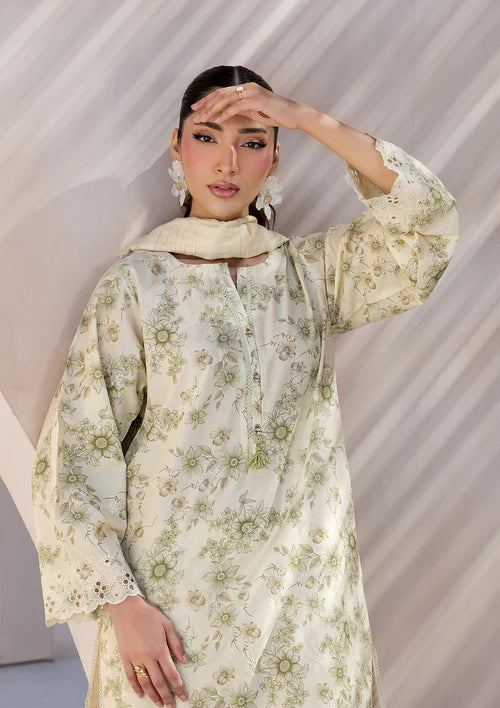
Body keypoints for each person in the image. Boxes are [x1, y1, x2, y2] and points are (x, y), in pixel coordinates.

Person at [31, 64, 459, 707]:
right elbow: (77, 453)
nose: (227, 162)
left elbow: (426, 222)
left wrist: (307, 117)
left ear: (275, 156)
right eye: (206, 137)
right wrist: (122, 605)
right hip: (176, 608)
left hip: (306, 606)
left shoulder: (311, 275)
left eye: (253, 141)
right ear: (177, 147)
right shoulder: (137, 285)